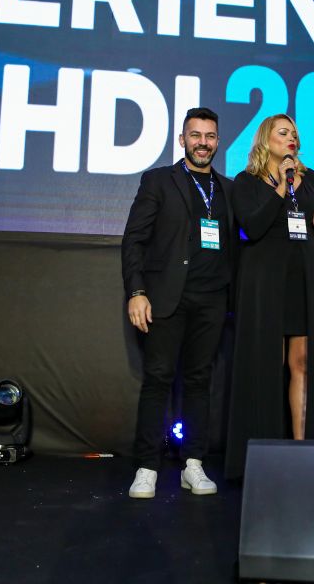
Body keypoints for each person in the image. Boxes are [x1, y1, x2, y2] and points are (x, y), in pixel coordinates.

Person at [121, 107, 237, 498]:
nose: (203, 143)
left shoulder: (228, 189)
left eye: (210, 136)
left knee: (200, 382)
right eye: (196, 135)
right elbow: (134, 239)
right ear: (182, 139)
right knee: (158, 379)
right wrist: (136, 292)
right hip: (165, 298)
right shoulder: (158, 180)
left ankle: (193, 465)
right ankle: (146, 467)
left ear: (218, 142)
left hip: (212, 299)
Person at [224, 114, 314, 479]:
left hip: (305, 277)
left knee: (301, 362)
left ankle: (303, 453)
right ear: (265, 138)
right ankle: (266, 457)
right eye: (284, 132)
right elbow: (253, 226)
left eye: (295, 134)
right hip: (266, 280)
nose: (292, 138)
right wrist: (280, 187)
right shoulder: (246, 181)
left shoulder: (311, 178)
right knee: (266, 363)